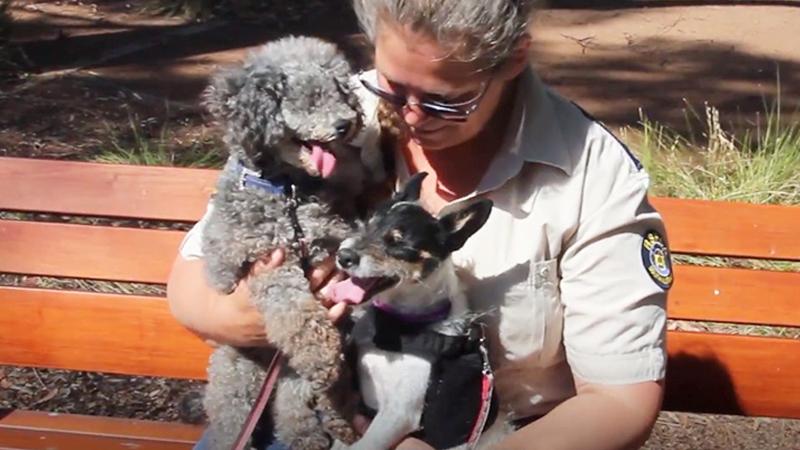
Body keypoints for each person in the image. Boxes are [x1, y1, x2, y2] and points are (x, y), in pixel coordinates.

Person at [167, 1, 672, 449]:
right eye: (393, 87)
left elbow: (617, 401)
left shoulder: (590, 174)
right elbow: (189, 280)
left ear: (514, 58)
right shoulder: (334, 113)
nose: (411, 117)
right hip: (305, 419)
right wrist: (238, 318)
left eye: (446, 100)